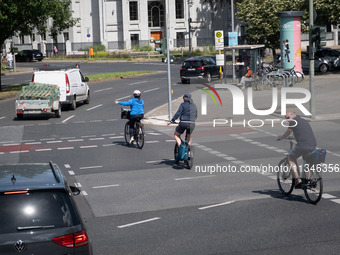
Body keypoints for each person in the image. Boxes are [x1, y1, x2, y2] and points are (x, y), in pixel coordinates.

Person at [277, 111, 317, 186]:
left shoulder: (293, 122)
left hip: (303, 145)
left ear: (292, 115)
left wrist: (281, 137)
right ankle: (308, 181)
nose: (288, 120)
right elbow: (303, 132)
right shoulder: (304, 120)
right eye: (286, 119)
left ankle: (297, 179)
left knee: (290, 158)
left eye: (288, 118)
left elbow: (288, 132)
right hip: (312, 144)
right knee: (307, 163)